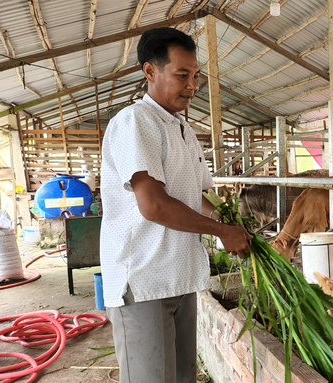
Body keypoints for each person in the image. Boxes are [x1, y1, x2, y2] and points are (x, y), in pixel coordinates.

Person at [99, 27, 252, 383]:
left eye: (195, 75)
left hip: (180, 278)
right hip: (143, 280)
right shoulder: (136, 122)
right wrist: (221, 231)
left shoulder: (182, 129)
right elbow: (154, 205)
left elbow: (196, 199)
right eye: (182, 75)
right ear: (149, 71)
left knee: (182, 376)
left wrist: (232, 225)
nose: (192, 85)